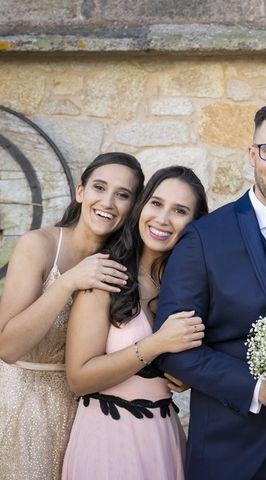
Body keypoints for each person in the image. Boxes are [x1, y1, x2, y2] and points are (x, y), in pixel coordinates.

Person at [154, 100, 266, 480]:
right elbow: (173, 352)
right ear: (252, 154)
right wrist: (257, 388)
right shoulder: (204, 238)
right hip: (229, 452)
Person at [0, 152, 144, 480]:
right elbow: (7, 348)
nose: (108, 202)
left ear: (132, 207)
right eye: (99, 187)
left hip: (83, 414)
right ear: (81, 192)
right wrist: (68, 282)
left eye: (122, 195)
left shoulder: (123, 264)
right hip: (17, 403)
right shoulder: (38, 245)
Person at [61, 166, 209, 479]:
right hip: (107, 438)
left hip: (163, 435)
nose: (163, 219)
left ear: (194, 225)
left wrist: (186, 374)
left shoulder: (188, 287)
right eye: (156, 204)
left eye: (180, 211)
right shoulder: (106, 275)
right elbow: (79, 379)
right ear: (142, 207)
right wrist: (156, 344)